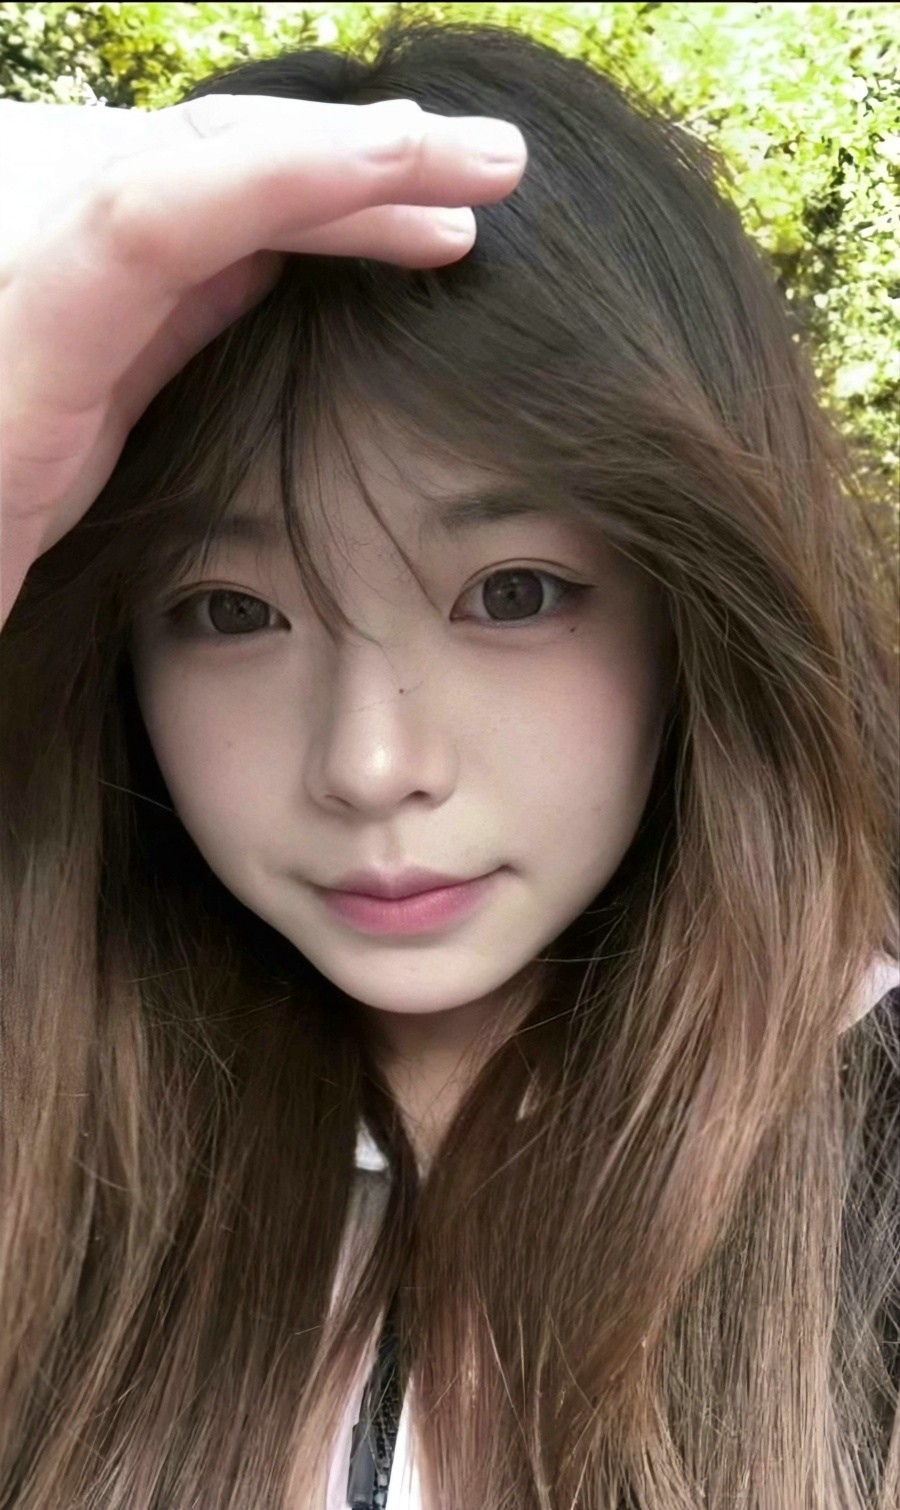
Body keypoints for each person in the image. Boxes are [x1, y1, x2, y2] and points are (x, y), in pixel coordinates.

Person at [0, 12, 897, 1509]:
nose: (371, 763)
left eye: (515, 593)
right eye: (229, 612)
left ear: (695, 601)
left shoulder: (866, 1166)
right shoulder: (58, 1108)